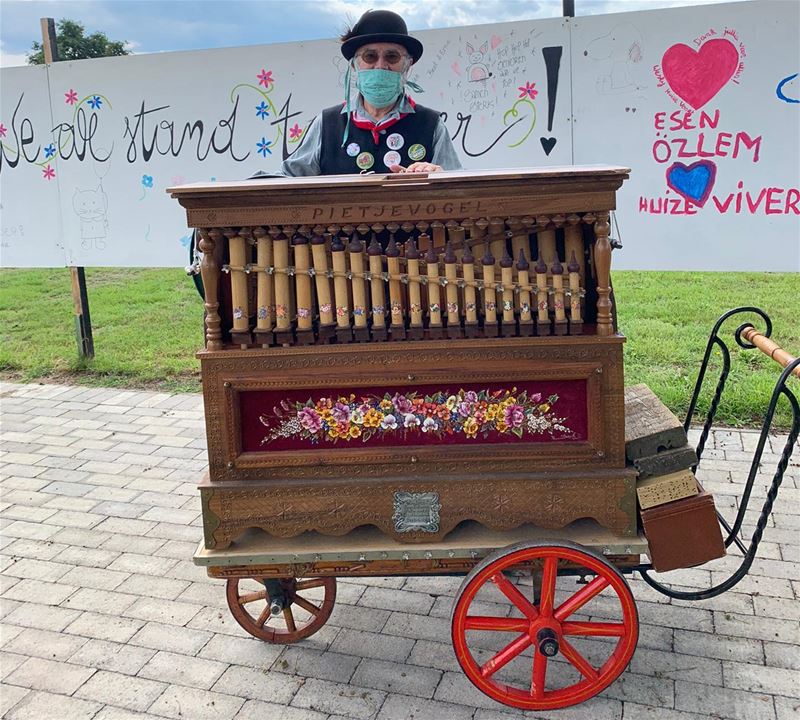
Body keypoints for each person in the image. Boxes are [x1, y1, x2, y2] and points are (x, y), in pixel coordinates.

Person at [280, 9, 462, 176]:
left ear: (407, 66)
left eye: (392, 56)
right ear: (354, 66)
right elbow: (285, 180)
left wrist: (441, 177)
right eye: (370, 56)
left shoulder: (431, 124)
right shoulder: (327, 123)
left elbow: (461, 193)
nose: (381, 65)